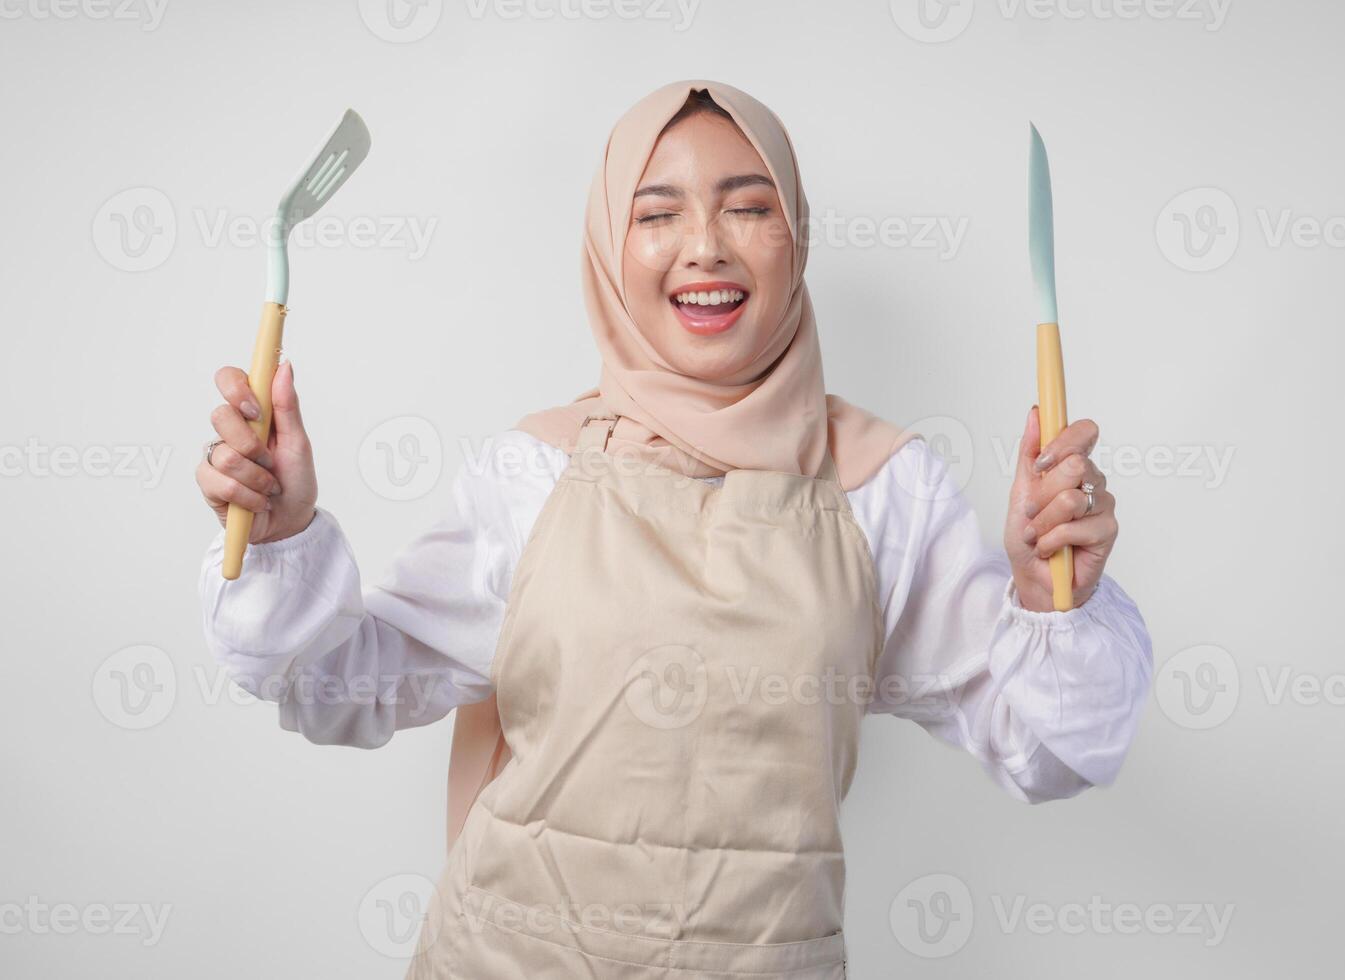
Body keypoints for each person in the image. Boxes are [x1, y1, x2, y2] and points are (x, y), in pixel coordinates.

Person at [196, 79, 1152, 979]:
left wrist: (1047, 598)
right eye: (656, 215)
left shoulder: (883, 488)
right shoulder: (535, 473)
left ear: (797, 236)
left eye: (748, 206)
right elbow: (334, 687)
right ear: (611, 252)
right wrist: (282, 535)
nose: (705, 246)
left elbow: (1054, 750)